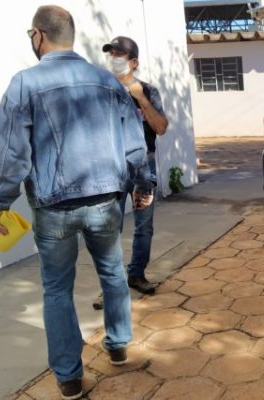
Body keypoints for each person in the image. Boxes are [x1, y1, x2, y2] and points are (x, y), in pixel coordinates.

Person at [0, 6, 155, 399]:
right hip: (105, 203)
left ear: (39, 36)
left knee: (57, 288)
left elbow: (13, 153)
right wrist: (142, 184)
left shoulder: (24, 84)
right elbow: (134, 144)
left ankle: (69, 376)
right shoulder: (107, 82)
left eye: (31, 34)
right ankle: (118, 345)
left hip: (53, 206)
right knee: (112, 273)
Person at [92, 36, 168, 310]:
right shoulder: (100, 91)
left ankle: (136, 275)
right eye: (110, 53)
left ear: (133, 62)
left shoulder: (149, 91)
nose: (113, 57)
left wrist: (140, 99)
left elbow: (161, 128)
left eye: (119, 54)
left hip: (143, 171)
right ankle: (110, 287)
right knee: (109, 230)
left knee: (144, 227)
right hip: (111, 170)